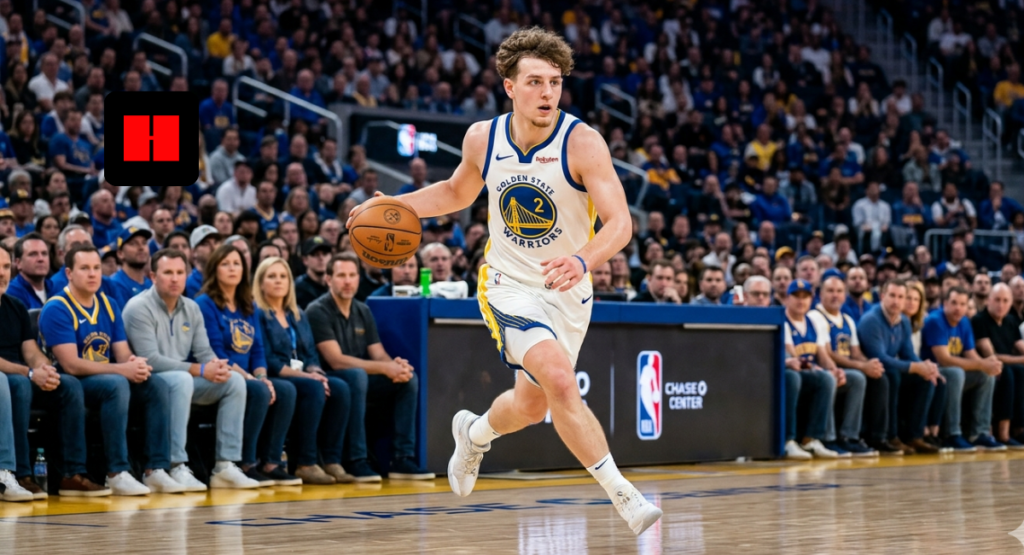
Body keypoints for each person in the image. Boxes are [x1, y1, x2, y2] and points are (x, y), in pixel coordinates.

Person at [351, 28, 662, 534]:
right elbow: (456, 191)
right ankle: (623, 495)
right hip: (507, 283)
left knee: (533, 401)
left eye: (555, 83)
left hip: (567, 287)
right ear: (509, 87)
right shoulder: (483, 138)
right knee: (560, 380)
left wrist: (583, 261)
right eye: (535, 82)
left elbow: (622, 224)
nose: (547, 93)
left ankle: (474, 434)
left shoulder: (583, 142)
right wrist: (393, 206)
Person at [39, 244, 175, 495]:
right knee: (117, 384)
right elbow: (70, 364)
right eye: (84, 268)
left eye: (96, 268)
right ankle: (117, 472)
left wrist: (136, 364)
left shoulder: (109, 303)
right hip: (71, 383)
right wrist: (123, 370)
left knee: (156, 384)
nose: (93, 274)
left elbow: (122, 353)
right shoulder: (57, 307)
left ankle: (156, 469)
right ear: (69, 273)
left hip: (107, 379)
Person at [122, 249, 261, 490]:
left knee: (234, 382)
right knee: (182, 380)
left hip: (182, 381)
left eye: (179, 272)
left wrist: (217, 367)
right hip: (147, 383)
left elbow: (205, 352)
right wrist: (199, 369)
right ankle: (176, 465)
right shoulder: (138, 307)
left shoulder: (191, 307)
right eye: (168, 273)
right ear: (153, 276)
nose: (175, 278)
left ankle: (224, 466)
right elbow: (150, 359)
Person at [307, 253, 433, 482]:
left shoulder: (362, 310)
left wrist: (396, 366)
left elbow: (378, 352)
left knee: (409, 378)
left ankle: (402, 458)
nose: (348, 281)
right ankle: (356, 459)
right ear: (328, 279)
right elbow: (336, 360)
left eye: (352, 275)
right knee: (356, 376)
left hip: (360, 379)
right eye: (341, 275)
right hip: (329, 378)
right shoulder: (317, 310)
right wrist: (384, 368)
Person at [196, 244, 298, 485]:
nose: (232, 268)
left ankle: (272, 462)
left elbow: (258, 351)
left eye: (237, 263)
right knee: (258, 389)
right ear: (214, 269)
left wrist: (262, 376)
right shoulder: (205, 303)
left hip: (249, 376)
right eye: (225, 264)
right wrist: (252, 379)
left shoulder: (248, 303)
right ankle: (246, 463)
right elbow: (215, 353)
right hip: (220, 374)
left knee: (287, 390)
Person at [255, 257, 354, 485]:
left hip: (302, 374)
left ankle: (331, 460)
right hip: (277, 375)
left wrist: (316, 371)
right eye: (271, 277)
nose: (278, 281)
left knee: (339, 388)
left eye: (282, 277)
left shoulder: (296, 313)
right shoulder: (258, 313)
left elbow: (310, 354)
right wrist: (309, 376)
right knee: (313, 387)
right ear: (260, 283)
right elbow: (268, 359)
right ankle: (306, 463)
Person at [0, 245, 73, 500]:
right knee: (13, 383)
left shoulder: (16, 306)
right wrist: (29, 373)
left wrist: (46, 369)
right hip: (9, 378)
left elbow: (31, 351)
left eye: (6, 267)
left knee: (68, 384)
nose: (2, 273)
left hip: (18, 375)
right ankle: (12, 472)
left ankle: (72, 474)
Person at [858, 280, 942, 456]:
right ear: (882, 297)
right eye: (892, 296)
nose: (896, 301)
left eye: (900, 297)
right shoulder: (871, 320)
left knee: (925, 379)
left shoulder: (903, 321)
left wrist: (925, 367)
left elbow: (908, 353)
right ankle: (887, 436)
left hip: (888, 369)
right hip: (869, 370)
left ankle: (914, 436)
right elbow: (879, 358)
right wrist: (914, 366)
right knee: (893, 376)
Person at [921, 286, 1004, 451]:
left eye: (962, 304)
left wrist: (987, 366)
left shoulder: (964, 322)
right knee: (956, 373)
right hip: (933, 371)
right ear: (944, 303)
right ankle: (952, 434)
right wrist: (982, 364)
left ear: (967, 306)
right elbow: (944, 359)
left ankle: (979, 433)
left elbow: (970, 353)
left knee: (985, 375)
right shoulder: (935, 320)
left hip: (953, 373)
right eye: (953, 303)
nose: (958, 308)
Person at [812, 272, 885, 456]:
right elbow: (828, 353)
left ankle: (850, 436)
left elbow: (856, 353)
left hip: (845, 368)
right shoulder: (816, 316)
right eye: (830, 291)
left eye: (838, 291)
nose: (835, 295)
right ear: (821, 294)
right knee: (854, 377)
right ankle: (828, 438)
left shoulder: (847, 319)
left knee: (874, 377)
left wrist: (871, 364)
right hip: (822, 367)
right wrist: (861, 367)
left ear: (844, 295)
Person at [782, 279, 841, 459]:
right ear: (787, 298)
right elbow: (792, 355)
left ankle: (811, 439)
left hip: (806, 372)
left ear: (811, 299)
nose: (801, 301)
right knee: (794, 377)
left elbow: (822, 353)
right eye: (796, 296)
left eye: (805, 296)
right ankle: (788, 440)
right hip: (787, 371)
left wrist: (835, 369)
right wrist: (815, 367)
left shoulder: (814, 321)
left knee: (827, 379)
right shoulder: (783, 320)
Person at [972, 284, 1024, 449]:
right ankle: (1003, 433)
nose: (1001, 304)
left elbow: (1020, 344)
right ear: (988, 300)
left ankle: (1019, 429)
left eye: (1005, 301)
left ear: (1010, 303)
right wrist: (1020, 360)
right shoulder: (979, 320)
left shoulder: (1010, 321)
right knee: (1008, 372)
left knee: (1020, 372)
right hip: (985, 367)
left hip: (1008, 366)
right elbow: (991, 355)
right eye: (997, 300)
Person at [7, 232, 56, 310]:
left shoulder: (56, 289)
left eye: (44, 253)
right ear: (18, 263)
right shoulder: (10, 294)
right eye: (33, 254)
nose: (41, 259)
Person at [109, 227, 153, 298]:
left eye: (144, 243)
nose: (141, 247)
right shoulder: (114, 284)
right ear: (120, 253)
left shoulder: (151, 283)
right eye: (133, 244)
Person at [294, 237, 332, 309]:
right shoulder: (297, 288)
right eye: (315, 254)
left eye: (325, 254)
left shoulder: (336, 285)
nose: (321, 258)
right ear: (305, 260)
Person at [186, 225, 222, 298]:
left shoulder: (226, 276)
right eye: (205, 243)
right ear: (193, 252)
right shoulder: (192, 284)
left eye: (216, 242)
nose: (213, 247)